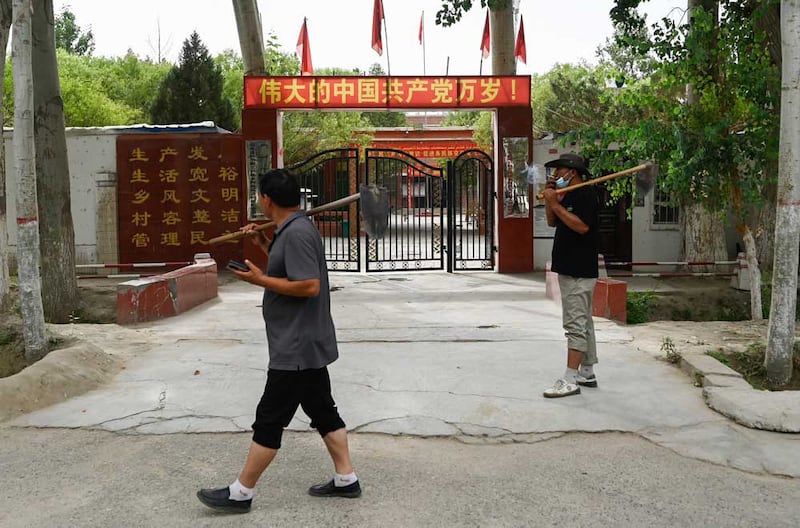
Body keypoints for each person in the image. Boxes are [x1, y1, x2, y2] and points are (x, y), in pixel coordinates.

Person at [197, 168, 360, 514]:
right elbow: (290, 268)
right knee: (324, 412)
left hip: (296, 346)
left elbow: (309, 285)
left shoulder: (297, 233)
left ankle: (241, 493)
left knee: (269, 419)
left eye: (259, 196)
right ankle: (346, 479)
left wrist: (259, 280)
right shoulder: (292, 230)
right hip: (305, 342)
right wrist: (263, 244)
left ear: (267, 199)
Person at [541, 153, 600, 398]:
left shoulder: (586, 194)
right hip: (568, 267)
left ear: (572, 172)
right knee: (584, 321)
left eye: (559, 170)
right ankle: (586, 372)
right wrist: (551, 199)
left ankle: (570, 379)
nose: (555, 175)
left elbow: (582, 226)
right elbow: (552, 222)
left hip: (579, 269)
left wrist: (555, 204)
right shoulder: (567, 195)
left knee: (575, 324)